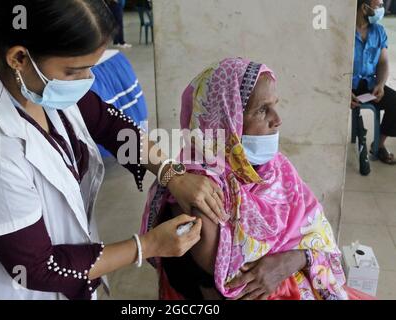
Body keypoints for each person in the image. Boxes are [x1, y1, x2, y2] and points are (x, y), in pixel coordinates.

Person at [0, 0, 230, 300]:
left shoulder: (35, 83)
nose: (85, 83)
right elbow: (37, 268)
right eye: (73, 71)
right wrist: (148, 246)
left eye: (89, 69)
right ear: (19, 57)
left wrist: (171, 173)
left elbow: (107, 121)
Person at [141, 58, 374, 300]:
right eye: (262, 110)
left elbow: (320, 236)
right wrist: (293, 260)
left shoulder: (275, 168)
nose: (277, 119)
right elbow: (232, 286)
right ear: (227, 118)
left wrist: (293, 259)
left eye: (274, 105)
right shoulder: (198, 191)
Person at [351, 0, 396, 165]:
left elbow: (383, 63)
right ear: (364, 8)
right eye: (378, 5)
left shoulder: (379, 31)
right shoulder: (343, 31)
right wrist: (341, 91)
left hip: (370, 85)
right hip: (346, 86)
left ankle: (379, 145)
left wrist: (381, 84)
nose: (382, 10)